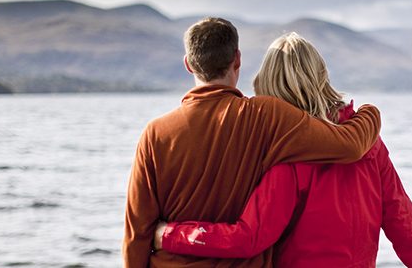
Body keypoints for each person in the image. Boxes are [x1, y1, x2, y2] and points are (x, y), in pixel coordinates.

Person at [153, 33, 412, 268]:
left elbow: (248, 238)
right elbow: (407, 230)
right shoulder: (369, 142)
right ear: (322, 76)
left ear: (269, 84)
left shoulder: (289, 157)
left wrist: (169, 235)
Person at [123, 18, 383, 267]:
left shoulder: (155, 133)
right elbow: (350, 145)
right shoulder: (267, 116)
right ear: (237, 59)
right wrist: (370, 111)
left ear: (188, 64)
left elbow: (137, 232)